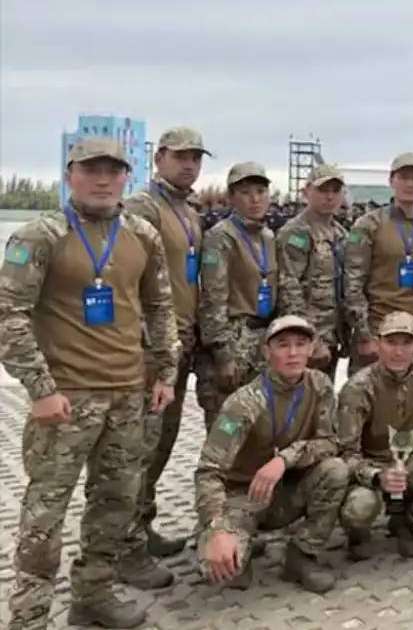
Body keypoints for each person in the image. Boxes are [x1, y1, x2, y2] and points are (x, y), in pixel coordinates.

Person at [0, 137, 179, 628]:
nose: (103, 179)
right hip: (65, 400)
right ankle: (30, 615)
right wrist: (40, 389)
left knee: (115, 503)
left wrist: (165, 371)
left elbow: (161, 307)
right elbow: (8, 314)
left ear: (127, 176)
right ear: (70, 174)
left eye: (114, 170)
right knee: (44, 514)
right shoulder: (41, 236)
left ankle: (92, 594)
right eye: (91, 169)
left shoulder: (141, 233)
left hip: (128, 395)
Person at [195, 316, 349, 594]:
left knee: (336, 470)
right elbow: (209, 470)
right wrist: (217, 528)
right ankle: (235, 538)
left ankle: (301, 555)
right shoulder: (243, 403)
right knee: (220, 570)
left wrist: (284, 459)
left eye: (301, 344)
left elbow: (329, 441)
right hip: (244, 497)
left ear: (311, 348)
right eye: (283, 345)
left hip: (287, 490)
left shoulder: (320, 386)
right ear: (267, 352)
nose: (293, 353)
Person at [118, 126, 209, 566]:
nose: (189, 164)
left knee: (163, 440)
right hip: (153, 347)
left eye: (195, 157)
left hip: (182, 342)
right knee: (138, 446)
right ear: (159, 158)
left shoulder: (188, 210)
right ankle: (124, 545)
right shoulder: (142, 207)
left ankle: (141, 523)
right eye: (180, 156)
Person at [337, 311, 413, 560]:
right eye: (391, 342)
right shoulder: (358, 388)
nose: (398, 351)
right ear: (378, 343)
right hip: (368, 467)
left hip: (409, 462)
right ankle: (358, 535)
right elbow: (344, 453)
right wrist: (377, 476)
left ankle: (408, 525)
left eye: (407, 343)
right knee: (359, 507)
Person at [344, 152, 413, 373]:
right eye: (403, 177)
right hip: (378, 331)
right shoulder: (369, 225)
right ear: (391, 181)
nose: (409, 184)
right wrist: (364, 334)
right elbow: (353, 285)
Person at [197, 162, 279, 429]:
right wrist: (222, 353)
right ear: (231, 197)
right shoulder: (220, 237)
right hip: (233, 339)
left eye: (260, 191)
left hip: (261, 342)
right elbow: (213, 297)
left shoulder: (267, 237)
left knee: (259, 431)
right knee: (226, 429)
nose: (255, 199)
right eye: (245, 192)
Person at [276, 163, 349, 379]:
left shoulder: (340, 232)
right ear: (306, 191)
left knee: (322, 399)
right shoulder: (296, 232)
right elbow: (289, 287)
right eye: (322, 190)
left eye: (335, 191)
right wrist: (308, 339)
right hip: (306, 339)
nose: (329, 197)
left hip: (332, 333)